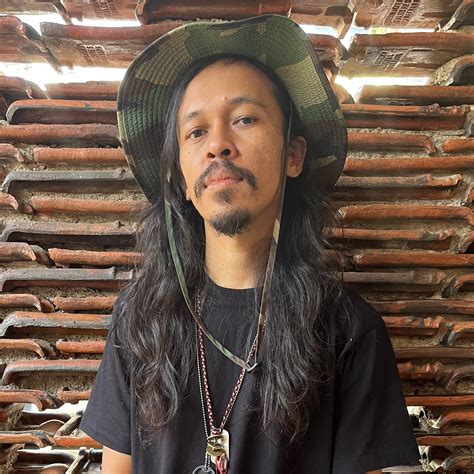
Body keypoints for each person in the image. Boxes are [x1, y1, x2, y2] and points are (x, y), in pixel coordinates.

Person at [79, 14, 420, 474]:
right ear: (179, 177)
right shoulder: (139, 321)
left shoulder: (349, 332)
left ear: (293, 155)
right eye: (196, 131)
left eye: (244, 119)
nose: (218, 145)